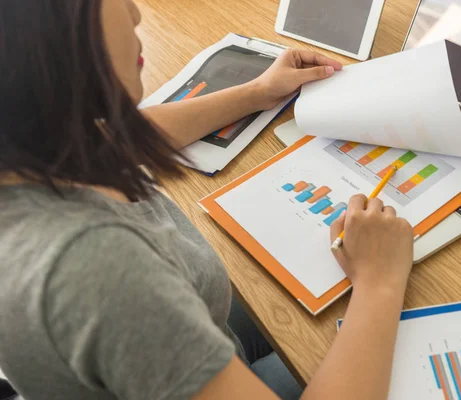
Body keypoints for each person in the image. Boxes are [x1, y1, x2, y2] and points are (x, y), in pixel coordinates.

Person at [0, 0, 415, 399]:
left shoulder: (30, 147)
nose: (135, 12)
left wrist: (257, 92)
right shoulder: (94, 267)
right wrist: (380, 282)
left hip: (199, 328)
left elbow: (116, 140)